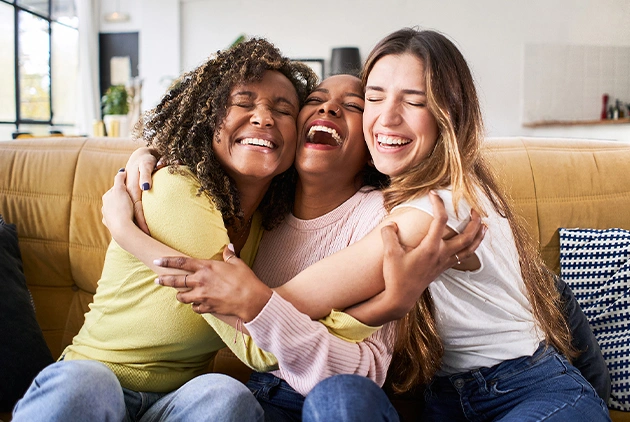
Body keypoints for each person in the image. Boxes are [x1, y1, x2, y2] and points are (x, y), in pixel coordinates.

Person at [152, 28, 612, 421]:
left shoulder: (431, 209)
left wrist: (244, 299)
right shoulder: (271, 199)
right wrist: (147, 157)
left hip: (525, 386)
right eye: (374, 97)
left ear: (448, 116)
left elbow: (285, 302)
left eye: (413, 102)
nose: (386, 116)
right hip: (443, 403)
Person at [117, 73, 484, 422]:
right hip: (260, 399)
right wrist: (146, 153)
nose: (328, 109)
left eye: (353, 106)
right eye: (315, 101)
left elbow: (366, 369)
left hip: (339, 397)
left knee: (339, 397)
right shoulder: (262, 207)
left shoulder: (386, 217)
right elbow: (219, 143)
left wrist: (127, 233)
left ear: (374, 144)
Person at [12, 37, 319, 422]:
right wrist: (377, 302)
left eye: (283, 109)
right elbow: (259, 350)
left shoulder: (270, 221)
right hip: (96, 389)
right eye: (244, 102)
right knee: (87, 383)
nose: (264, 117)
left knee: (226, 395)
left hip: (174, 404)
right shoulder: (176, 187)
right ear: (209, 118)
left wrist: (128, 231)